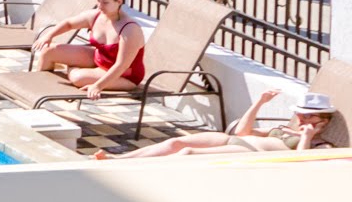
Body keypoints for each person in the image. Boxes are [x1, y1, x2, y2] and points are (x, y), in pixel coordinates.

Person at [96, 90, 337, 158]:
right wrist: (259, 103)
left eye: (309, 117)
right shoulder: (285, 129)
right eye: (301, 114)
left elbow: (301, 163)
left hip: (246, 152)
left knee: (188, 153)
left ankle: (138, 171)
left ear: (323, 121)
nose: (302, 119)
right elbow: (243, 130)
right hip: (235, 139)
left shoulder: (321, 146)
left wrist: (307, 137)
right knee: (177, 142)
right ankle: (119, 158)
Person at [30, 0, 147, 99]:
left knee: (77, 78)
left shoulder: (130, 29)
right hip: (99, 59)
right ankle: (37, 90)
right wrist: (48, 36)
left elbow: (121, 65)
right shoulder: (96, 16)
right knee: (48, 52)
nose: (100, 6)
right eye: (98, 1)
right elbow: (69, 24)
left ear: (119, 1)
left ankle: (71, 69)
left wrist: (98, 86)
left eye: (105, 2)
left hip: (123, 75)